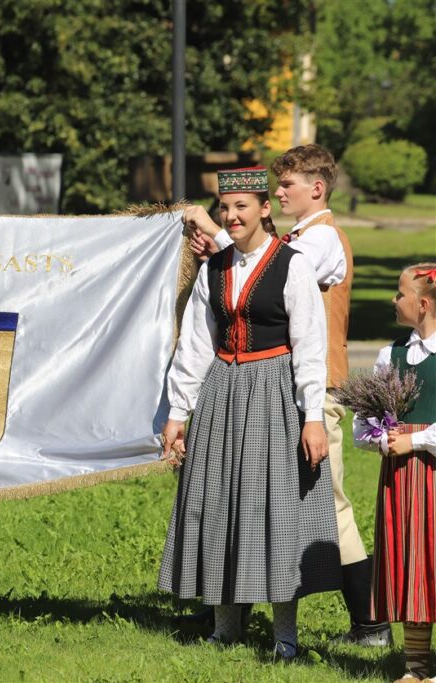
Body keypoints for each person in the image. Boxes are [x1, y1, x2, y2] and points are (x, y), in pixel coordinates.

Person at [186, 144, 389, 646]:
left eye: (287, 185)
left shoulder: (319, 241)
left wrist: (210, 228)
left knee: (321, 501)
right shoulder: (295, 237)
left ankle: (370, 622)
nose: (278, 192)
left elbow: (276, 268)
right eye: (274, 186)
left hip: (310, 388)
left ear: (316, 189)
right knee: (266, 496)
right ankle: (236, 604)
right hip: (272, 383)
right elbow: (249, 264)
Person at [159, 166, 341, 659]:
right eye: (224, 208)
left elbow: (309, 344)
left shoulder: (292, 264)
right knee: (218, 501)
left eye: (242, 207)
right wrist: (178, 411)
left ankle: (285, 637)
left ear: (264, 209)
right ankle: (225, 627)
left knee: (277, 506)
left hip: (275, 392)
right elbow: (196, 342)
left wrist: (312, 417)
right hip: (222, 390)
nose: (231, 216)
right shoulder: (215, 268)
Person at [353, 264, 436, 681]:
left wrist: (417, 440)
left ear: (422, 305)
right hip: (403, 479)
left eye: (399, 293)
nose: (393, 299)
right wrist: (382, 438)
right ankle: (417, 667)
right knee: (413, 563)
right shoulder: (392, 355)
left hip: (433, 472)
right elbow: (362, 425)